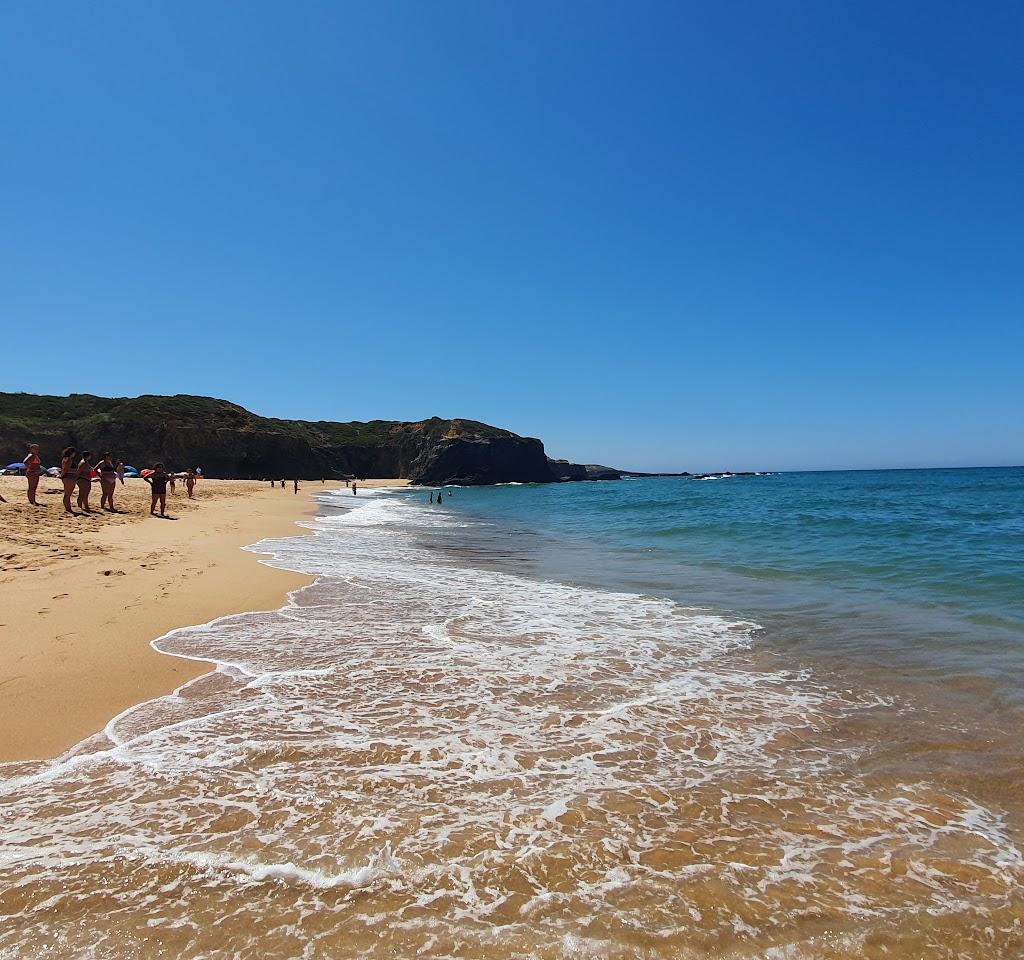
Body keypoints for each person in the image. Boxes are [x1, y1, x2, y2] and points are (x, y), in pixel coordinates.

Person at [60, 446, 77, 514]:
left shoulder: (64, 459)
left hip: (67, 477)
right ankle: (68, 508)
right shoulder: (69, 459)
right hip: (69, 477)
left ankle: (68, 507)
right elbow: (66, 469)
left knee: (67, 494)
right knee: (68, 494)